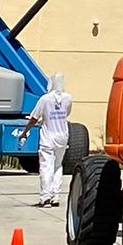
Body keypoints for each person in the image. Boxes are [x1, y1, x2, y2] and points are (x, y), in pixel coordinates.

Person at [25, 72, 72, 208]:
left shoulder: (45, 99)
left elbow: (34, 118)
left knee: (46, 166)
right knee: (58, 166)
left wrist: (24, 132)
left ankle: (45, 197)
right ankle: (55, 195)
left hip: (48, 137)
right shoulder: (68, 98)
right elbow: (67, 113)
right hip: (62, 136)